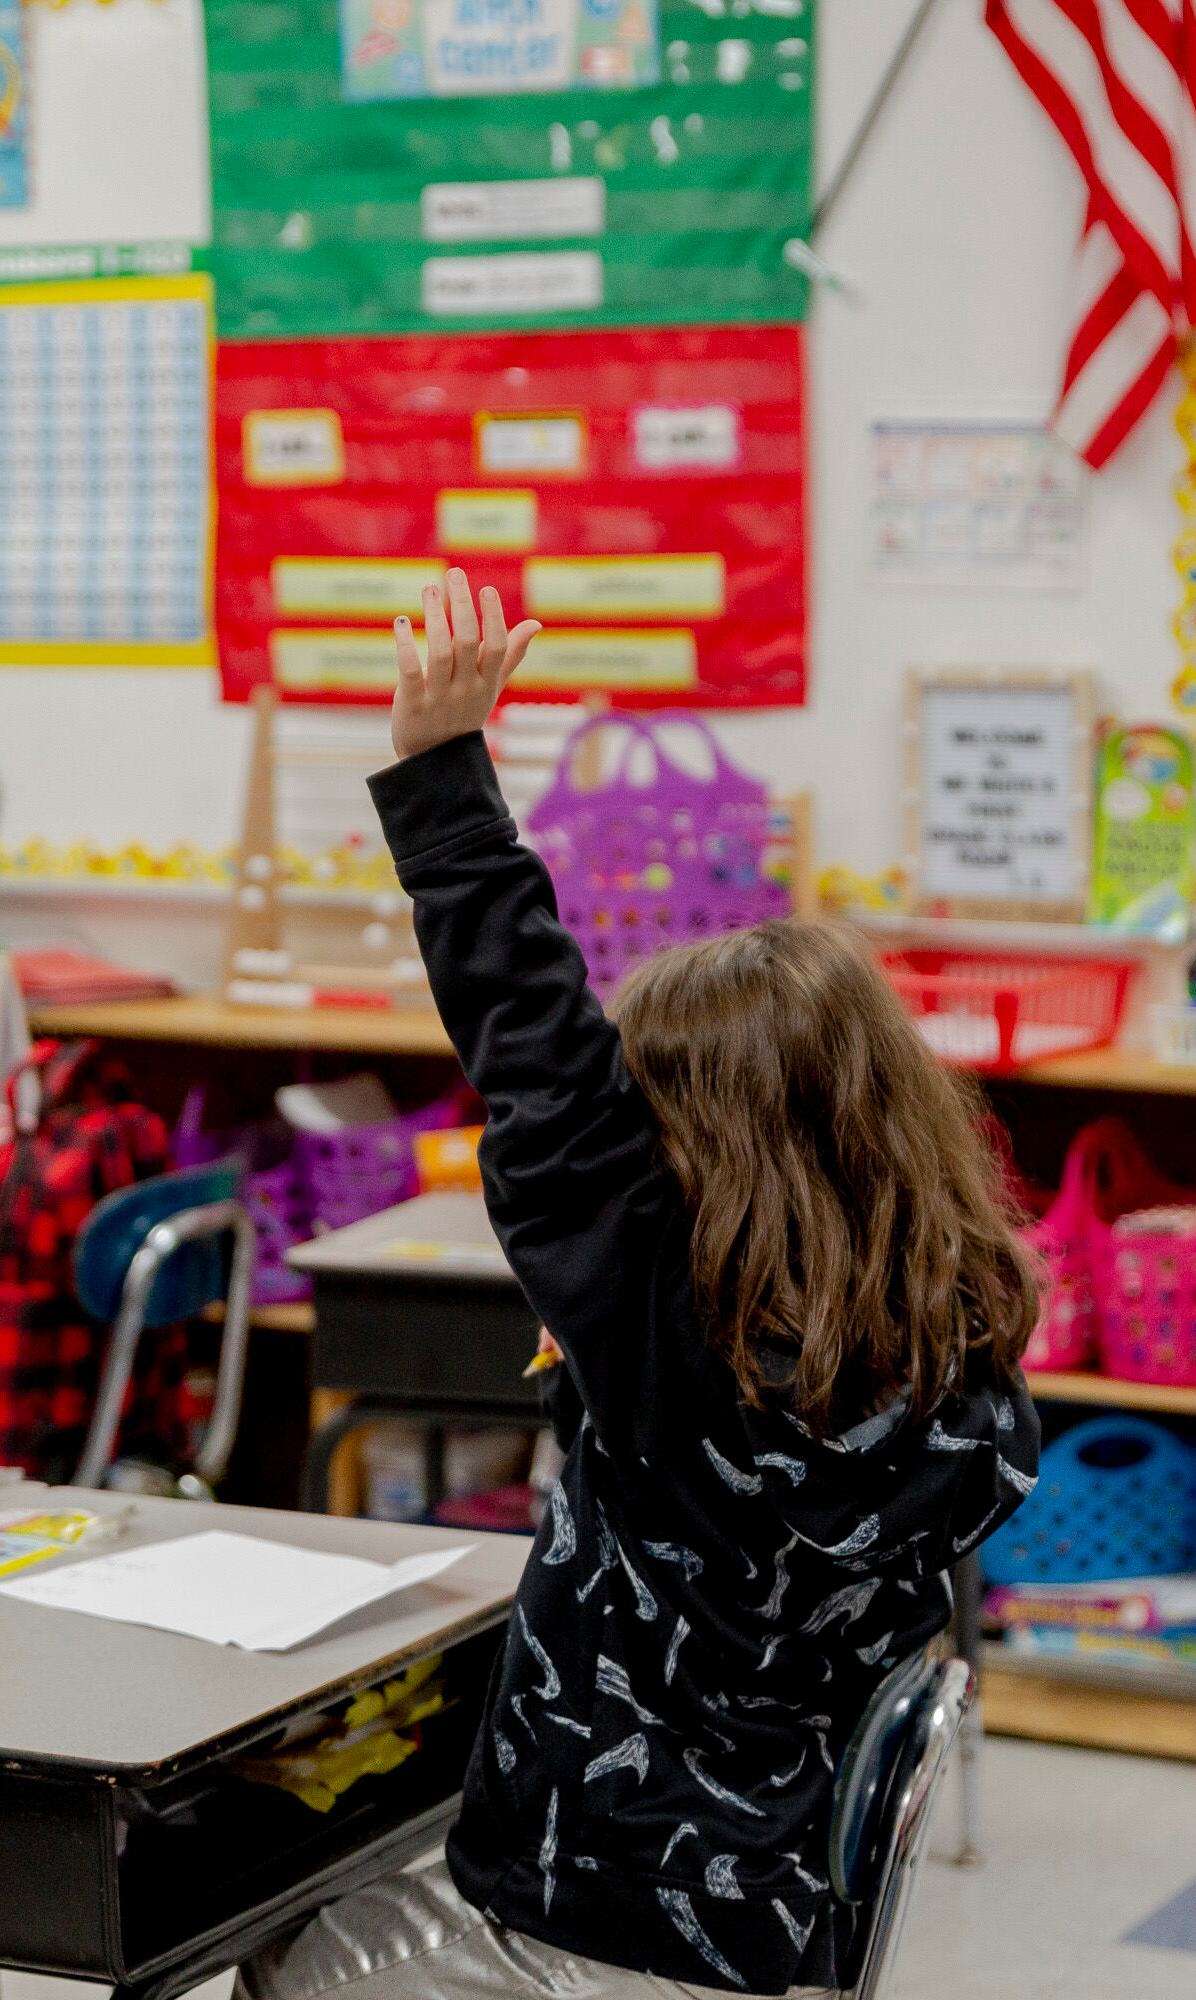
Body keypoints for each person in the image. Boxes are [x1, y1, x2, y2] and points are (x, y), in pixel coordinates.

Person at [241, 572, 1044, 2000]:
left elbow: (545, 1073)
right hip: (762, 1917)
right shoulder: (957, 1347)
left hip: (592, 1933)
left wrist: (441, 782)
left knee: (272, 1956)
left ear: (684, 1171)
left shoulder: (685, 1373)